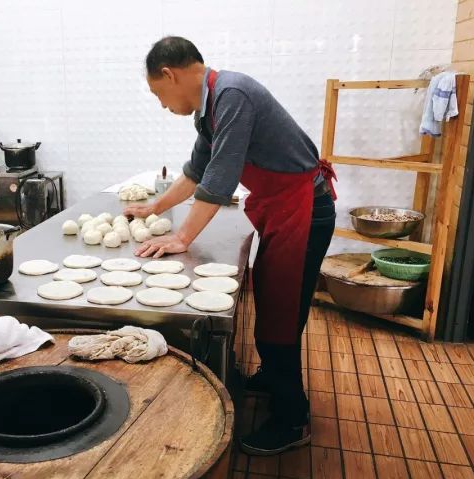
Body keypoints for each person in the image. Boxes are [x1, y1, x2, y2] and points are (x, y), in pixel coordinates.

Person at [124, 36, 337, 456]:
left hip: (304, 210)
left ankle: (293, 419)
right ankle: (274, 377)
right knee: (276, 306)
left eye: (158, 94)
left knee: (280, 312)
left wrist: (182, 237)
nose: (162, 105)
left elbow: (218, 182)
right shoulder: (210, 109)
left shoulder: (233, 95)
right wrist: (154, 207)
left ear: (170, 75)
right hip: (284, 209)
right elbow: (197, 170)